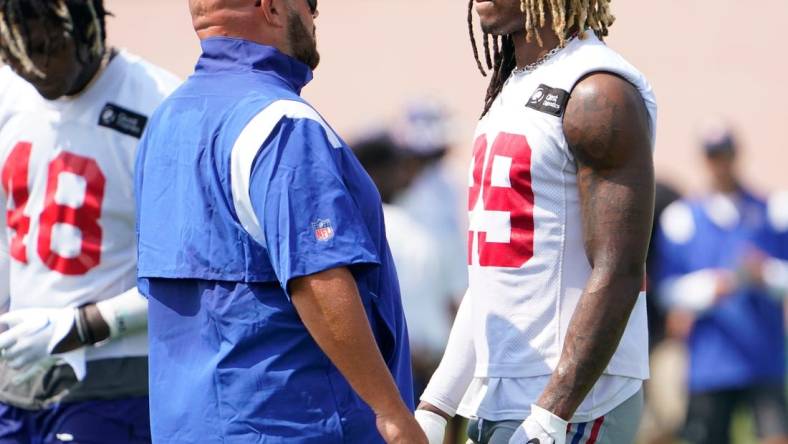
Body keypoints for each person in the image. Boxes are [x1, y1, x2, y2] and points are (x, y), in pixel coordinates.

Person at [135, 1, 425, 443]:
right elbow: (318, 279)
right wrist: (391, 413)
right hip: (296, 423)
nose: (315, 16)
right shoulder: (282, 122)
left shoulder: (165, 122)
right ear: (271, 8)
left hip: (185, 427)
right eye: (310, 5)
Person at [414, 1, 657, 443]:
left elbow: (621, 268)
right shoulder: (512, 89)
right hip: (502, 399)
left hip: (575, 405)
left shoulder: (596, 90)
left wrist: (552, 412)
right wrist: (436, 405)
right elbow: (493, 278)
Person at [0, 0, 180, 442]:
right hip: (17, 376)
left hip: (114, 381)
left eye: (47, 45)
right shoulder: (8, 94)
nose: (36, 67)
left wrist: (80, 325)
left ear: (89, 25)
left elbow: (193, 272)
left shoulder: (161, 107)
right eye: (17, 52)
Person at [655, 124, 788, 444]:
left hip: (763, 357)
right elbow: (666, 290)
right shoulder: (682, 218)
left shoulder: (772, 209)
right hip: (711, 361)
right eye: (714, 156)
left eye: (725, 154)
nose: (720, 163)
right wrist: (709, 288)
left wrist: (765, 274)